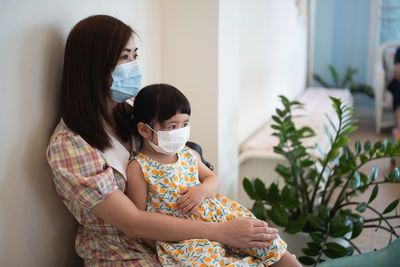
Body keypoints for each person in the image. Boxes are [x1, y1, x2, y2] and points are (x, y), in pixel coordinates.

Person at [46, 15, 280, 266]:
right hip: (125, 250)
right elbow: (133, 222)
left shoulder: (134, 112)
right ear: (94, 67)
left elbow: (188, 165)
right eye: (124, 57)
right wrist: (222, 232)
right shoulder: (69, 146)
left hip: (186, 230)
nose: (133, 65)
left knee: (269, 246)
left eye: (135, 56)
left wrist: (218, 214)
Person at [126, 83, 301, 266]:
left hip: (221, 217)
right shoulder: (139, 168)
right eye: (172, 126)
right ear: (144, 130)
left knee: (266, 241)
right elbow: (141, 221)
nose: (181, 131)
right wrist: (163, 249)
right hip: (185, 239)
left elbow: (213, 180)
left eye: (185, 124)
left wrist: (202, 191)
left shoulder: (188, 154)